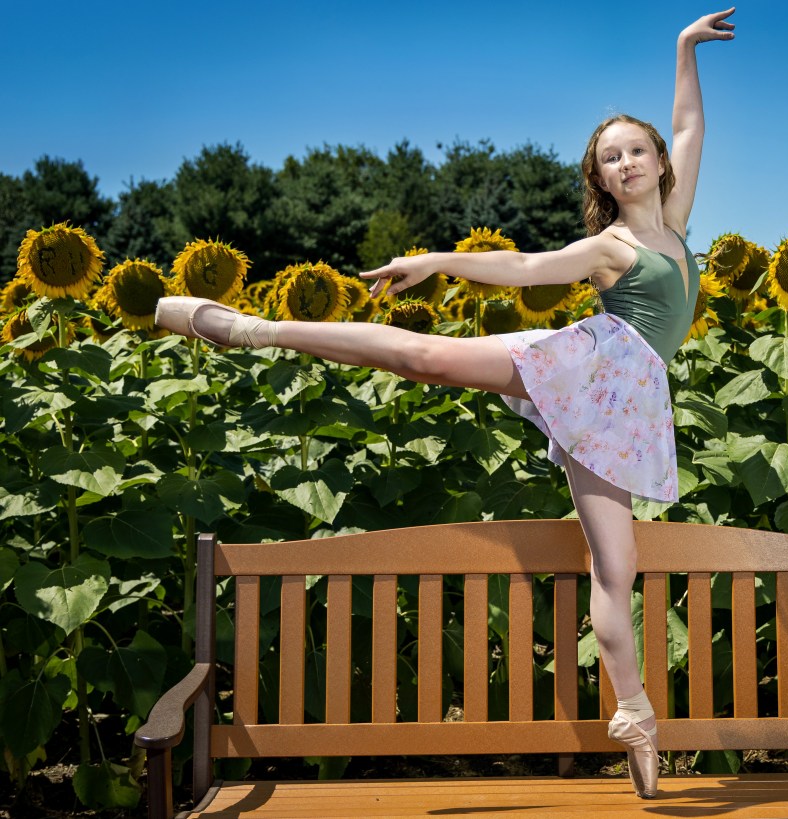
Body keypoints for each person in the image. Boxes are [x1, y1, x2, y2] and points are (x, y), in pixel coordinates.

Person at [154, 8, 735, 799]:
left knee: (617, 569)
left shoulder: (676, 223)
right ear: (599, 179)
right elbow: (528, 266)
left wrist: (683, 49)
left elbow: (691, 123)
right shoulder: (614, 249)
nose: (627, 162)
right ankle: (253, 329)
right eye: (610, 157)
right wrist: (434, 259)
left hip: (626, 410)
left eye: (637, 150)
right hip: (590, 366)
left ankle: (634, 715)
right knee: (427, 357)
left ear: (660, 165)